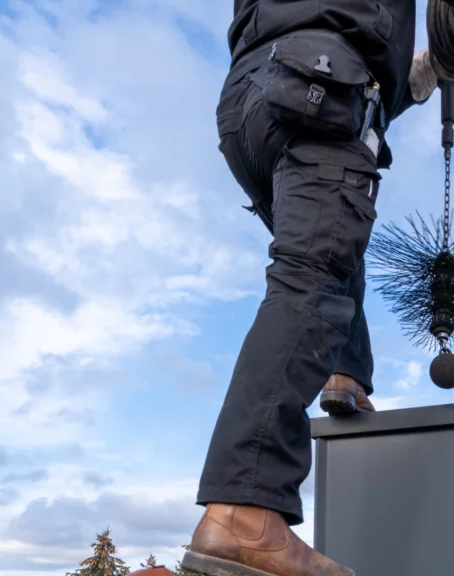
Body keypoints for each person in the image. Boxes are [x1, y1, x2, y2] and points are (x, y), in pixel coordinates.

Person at [181, 1, 438, 575]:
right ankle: (244, 511)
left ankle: (347, 372)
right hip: (320, 84)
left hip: (253, 100)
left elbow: (330, 19)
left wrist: (418, 75)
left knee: (330, 248)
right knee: (312, 277)